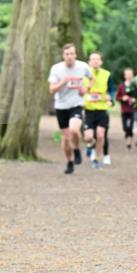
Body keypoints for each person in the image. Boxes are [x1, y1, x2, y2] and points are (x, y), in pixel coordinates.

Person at [47, 43, 91, 175]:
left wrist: (85, 89)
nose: (70, 57)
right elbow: (51, 89)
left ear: (75, 55)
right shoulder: (56, 69)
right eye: (67, 54)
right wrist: (63, 82)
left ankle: (77, 148)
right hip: (61, 106)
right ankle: (69, 162)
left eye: (72, 54)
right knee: (66, 138)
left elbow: (92, 79)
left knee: (74, 130)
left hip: (76, 104)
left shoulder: (83, 66)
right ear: (63, 56)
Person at [81, 51, 114, 169]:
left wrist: (111, 99)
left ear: (101, 61)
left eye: (97, 59)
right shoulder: (84, 75)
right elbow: (80, 90)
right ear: (89, 62)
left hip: (102, 109)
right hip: (89, 109)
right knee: (88, 137)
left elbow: (111, 90)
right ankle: (90, 145)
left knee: (100, 135)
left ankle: (96, 158)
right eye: (93, 59)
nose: (95, 61)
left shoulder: (106, 74)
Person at [117, 67, 137, 150]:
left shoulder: (135, 85)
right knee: (125, 127)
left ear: (133, 75)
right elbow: (117, 97)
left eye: (130, 74)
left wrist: (135, 99)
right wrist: (122, 98)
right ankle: (127, 136)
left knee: (131, 126)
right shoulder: (121, 86)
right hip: (124, 110)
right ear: (124, 76)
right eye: (127, 74)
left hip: (133, 109)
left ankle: (129, 143)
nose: (129, 76)